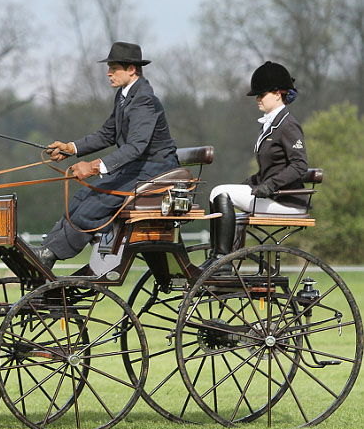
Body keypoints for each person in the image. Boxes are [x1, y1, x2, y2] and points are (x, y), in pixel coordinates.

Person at [34, 41, 179, 268]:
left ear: (132, 69)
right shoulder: (124, 96)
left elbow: (135, 147)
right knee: (81, 198)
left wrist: (92, 166)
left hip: (155, 168)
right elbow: (107, 134)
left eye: (114, 68)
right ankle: (46, 249)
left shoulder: (144, 100)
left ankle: (52, 254)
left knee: (94, 204)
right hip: (137, 166)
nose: (108, 73)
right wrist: (71, 148)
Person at [199, 61, 308, 271]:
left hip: (285, 200)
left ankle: (222, 261)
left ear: (278, 94)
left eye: (261, 94)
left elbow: (299, 165)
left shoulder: (288, 125)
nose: (257, 98)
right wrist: (251, 183)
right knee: (219, 192)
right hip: (273, 196)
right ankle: (217, 256)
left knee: (220, 192)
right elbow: (271, 169)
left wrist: (270, 185)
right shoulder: (270, 125)